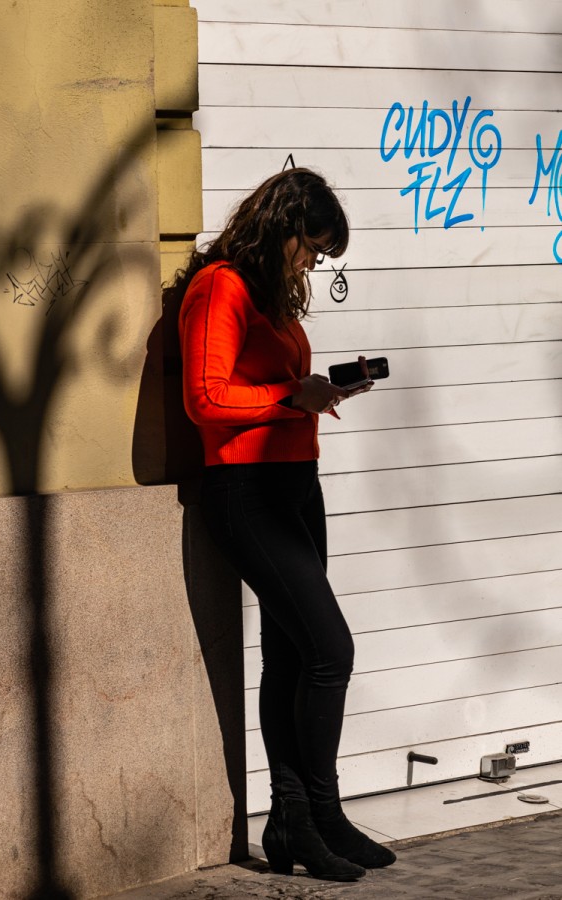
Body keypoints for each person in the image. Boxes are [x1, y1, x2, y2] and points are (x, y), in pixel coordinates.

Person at [175, 168, 397, 882]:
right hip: (245, 490)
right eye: (311, 246)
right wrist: (288, 395)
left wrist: (321, 391)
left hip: (294, 482)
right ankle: (311, 814)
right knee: (330, 651)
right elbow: (206, 399)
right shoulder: (221, 288)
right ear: (282, 227)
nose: (313, 262)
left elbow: (275, 392)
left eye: (323, 254)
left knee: (294, 656)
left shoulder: (268, 296)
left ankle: (302, 821)